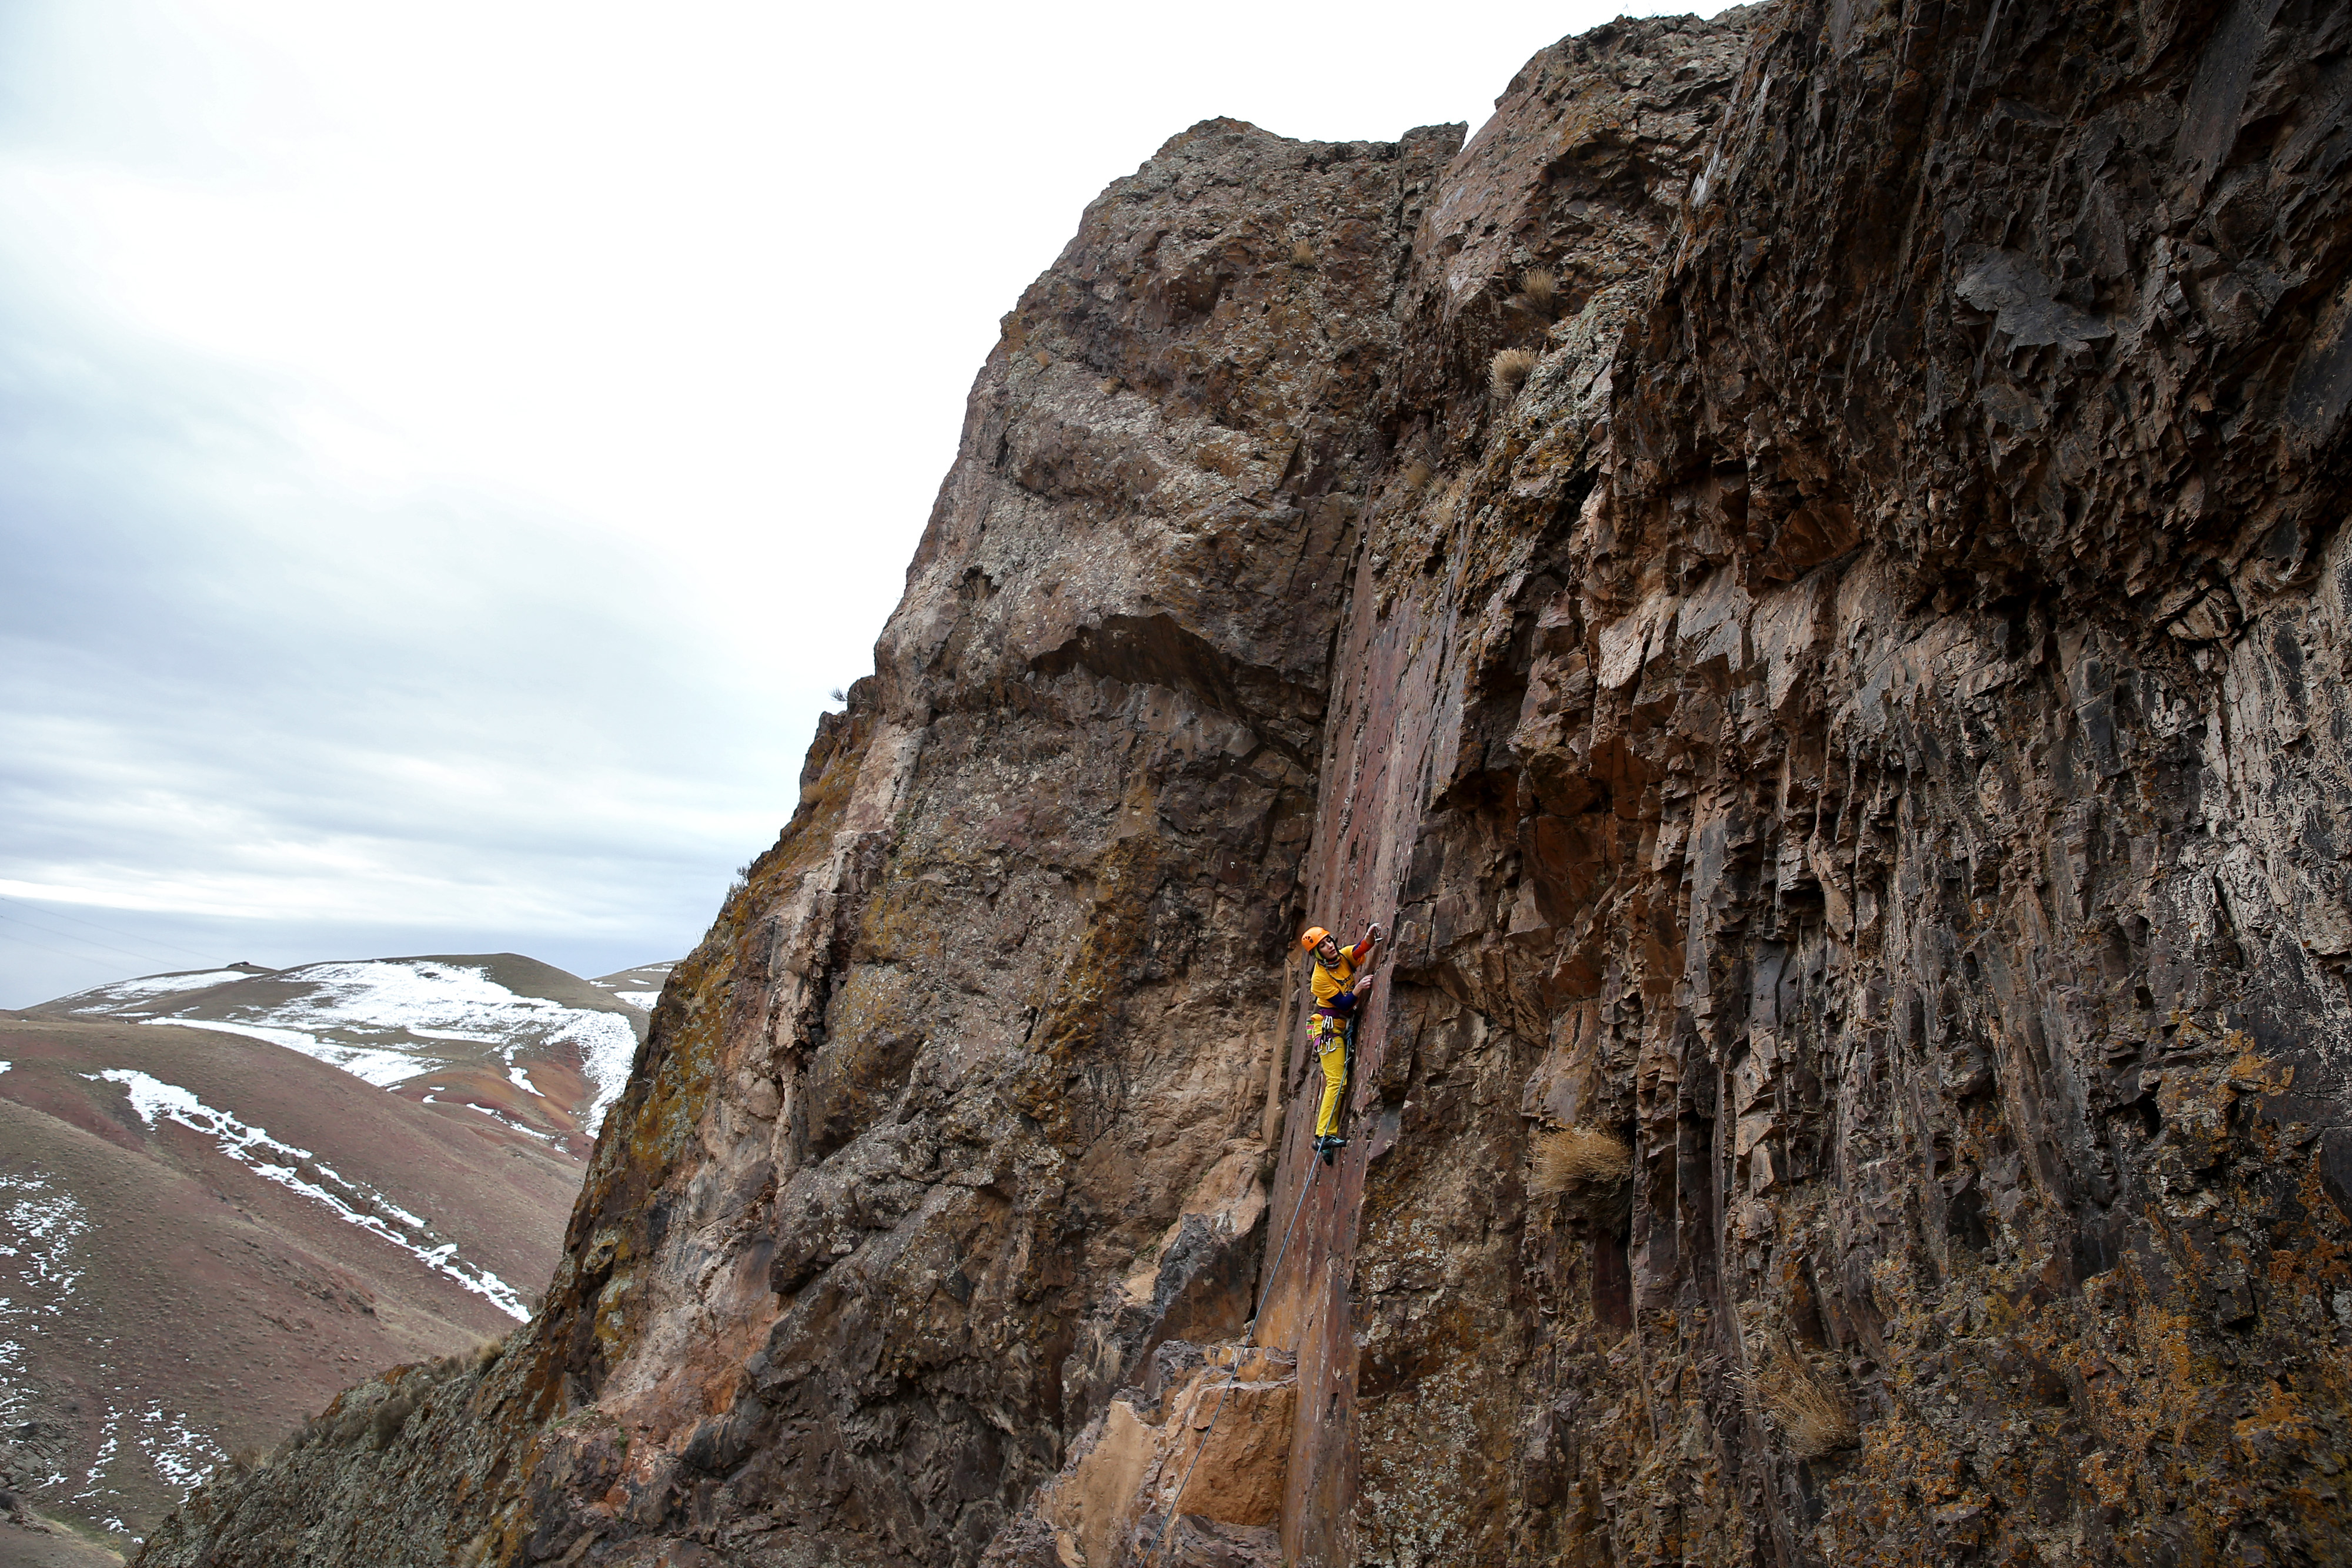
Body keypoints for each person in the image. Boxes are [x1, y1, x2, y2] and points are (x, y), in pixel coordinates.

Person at [1299, 921, 1381, 1162]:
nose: (1329, 946)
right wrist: (1359, 989)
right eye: (1322, 946)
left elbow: (1359, 950)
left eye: (1328, 941)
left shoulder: (1341, 958)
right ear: (1317, 954)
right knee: (1337, 1081)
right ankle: (1324, 1136)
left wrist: (1369, 936)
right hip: (1328, 1030)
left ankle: (1325, 1140)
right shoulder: (1319, 979)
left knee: (1340, 1082)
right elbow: (1344, 1004)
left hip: (1341, 1025)